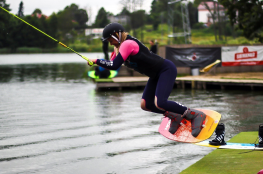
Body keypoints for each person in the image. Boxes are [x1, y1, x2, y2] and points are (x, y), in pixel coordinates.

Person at [88, 23, 206, 137]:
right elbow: (111, 64)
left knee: (160, 102)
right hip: (155, 74)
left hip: (165, 70)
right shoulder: (117, 50)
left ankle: (194, 115)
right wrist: (96, 64)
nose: (110, 43)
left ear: (116, 35)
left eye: (110, 40)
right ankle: (175, 116)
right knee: (146, 104)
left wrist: (96, 61)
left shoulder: (127, 43)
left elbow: (114, 65)